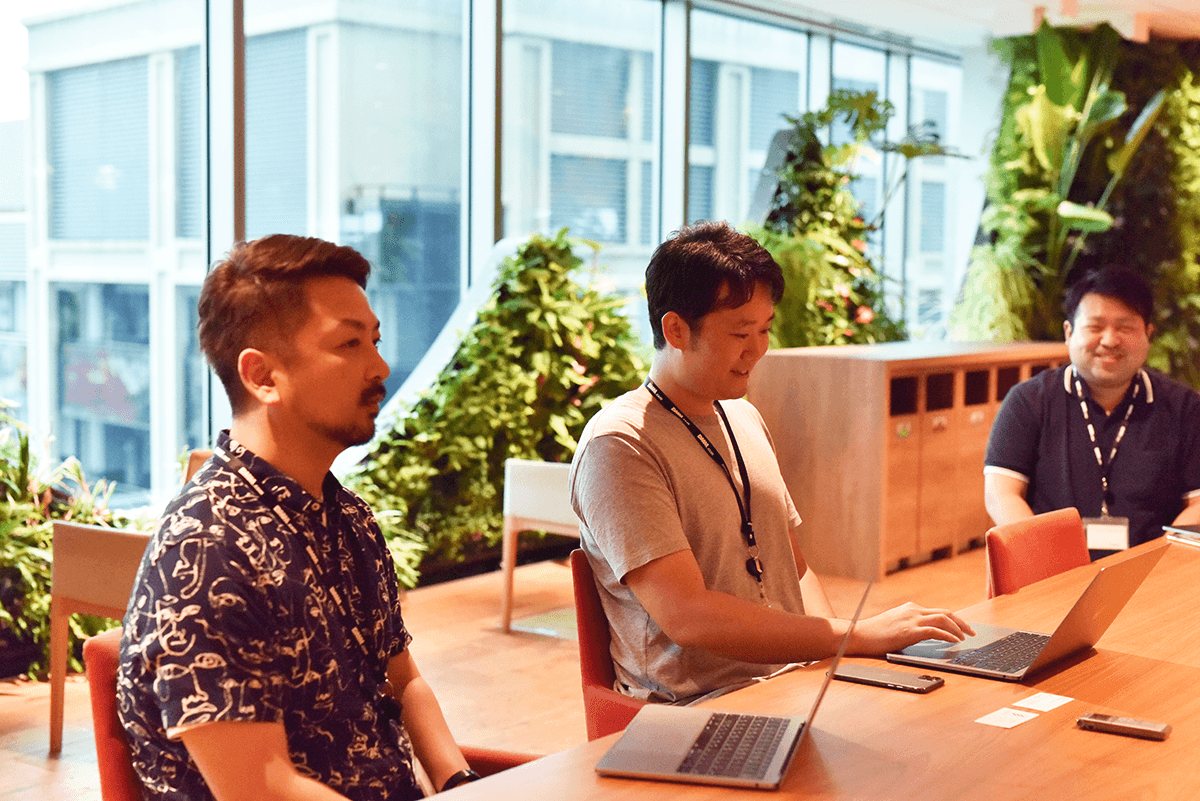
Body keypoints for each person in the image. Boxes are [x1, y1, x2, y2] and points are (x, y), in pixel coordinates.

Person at [118, 235, 480, 800]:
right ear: (262, 376)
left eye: (375, 340)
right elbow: (260, 786)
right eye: (349, 344)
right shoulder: (208, 548)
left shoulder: (348, 517)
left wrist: (461, 783)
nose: (380, 366)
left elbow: (403, 680)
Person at [568, 221, 973, 705]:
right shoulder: (621, 445)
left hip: (787, 684)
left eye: (764, 329)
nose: (758, 349)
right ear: (675, 329)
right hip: (693, 709)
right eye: (741, 332)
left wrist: (835, 664)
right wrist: (854, 635)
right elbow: (689, 617)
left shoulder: (742, 417)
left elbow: (794, 571)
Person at [984, 266, 1200, 554]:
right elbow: (1001, 494)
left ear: (1148, 335)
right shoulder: (1029, 401)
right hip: (1051, 568)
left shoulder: (1185, 408)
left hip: (1154, 568)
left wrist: (1156, 562)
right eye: (1095, 327)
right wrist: (1045, 558)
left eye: (1125, 328)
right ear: (1069, 332)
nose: (1109, 340)